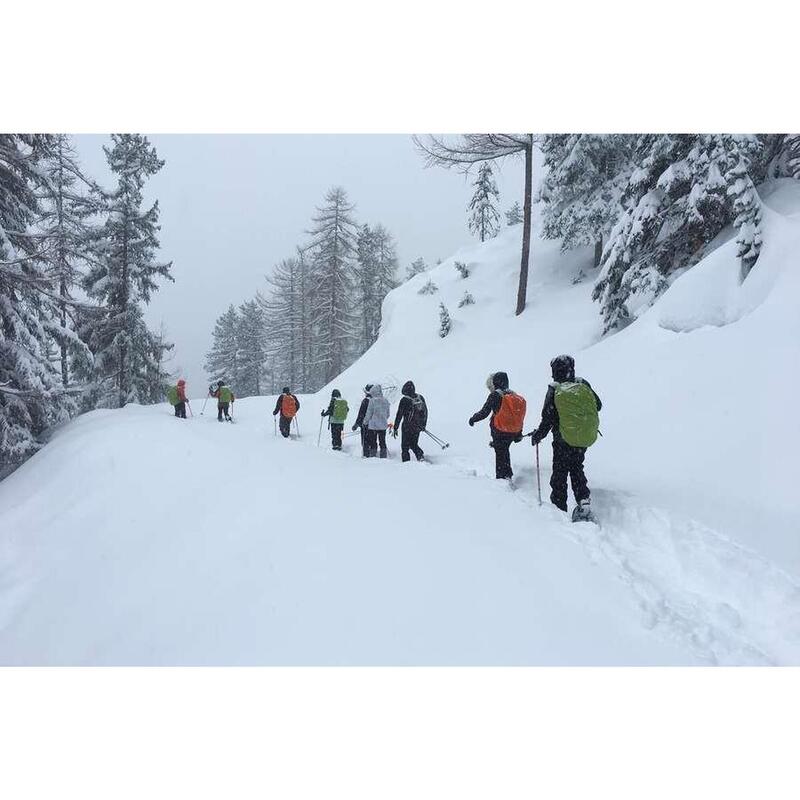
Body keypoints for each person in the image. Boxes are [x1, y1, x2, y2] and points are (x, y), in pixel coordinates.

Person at [526, 355, 602, 520]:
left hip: (562, 440)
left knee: (559, 474)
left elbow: (548, 418)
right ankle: (583, 502)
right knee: (576, 469)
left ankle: (558, 512)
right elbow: (598, 405)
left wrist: (538, 435)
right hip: (582, 437)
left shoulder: (554, 388)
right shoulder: (582, 384)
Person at [468, 371, 526, 480]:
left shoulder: (495, 395)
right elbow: (518, 416)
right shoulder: (514, 396)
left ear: (495, 382)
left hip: (500, 430)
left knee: (500, 453)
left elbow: (484, 412)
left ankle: (501, 479)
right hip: (512, 432)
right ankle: (507, 475)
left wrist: (473, 419)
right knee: (504, 450)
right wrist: (519, 433)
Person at [392, 380, 427, 462]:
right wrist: (423, 425)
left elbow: (399, 415)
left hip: (407, 427)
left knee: (405, 447)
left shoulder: (404, 400)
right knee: (413, 443)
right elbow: (425, 412)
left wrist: (395, 427)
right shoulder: (420, 397)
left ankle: (406, 464)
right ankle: (420, 455)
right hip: (417, 426)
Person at [362, 384, 390, 458]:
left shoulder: (372, 401)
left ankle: (373, 456)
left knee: (373, 442)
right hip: (383, 426)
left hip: (373, 426)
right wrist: (383, 419)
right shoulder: (386, 401)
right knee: (382, 442)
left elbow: (369, 413)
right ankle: (383, 456)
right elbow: (388, 414)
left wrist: (365, 422)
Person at [352, 384, 373, 457]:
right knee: (373, 441)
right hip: (375, 425)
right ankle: (373, 455)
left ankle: (366, 456)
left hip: (365, 425)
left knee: (365, 442)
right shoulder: (376, 401)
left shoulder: (365, 401)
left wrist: (356, 424)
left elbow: (361, 414)